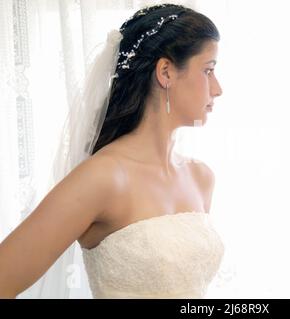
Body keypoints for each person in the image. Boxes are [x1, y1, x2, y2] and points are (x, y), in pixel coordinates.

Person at [0, 3, 224, 298]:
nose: (218, 88)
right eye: (208, 71)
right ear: (166, 72)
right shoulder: (103, 177)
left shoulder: (201, 178)